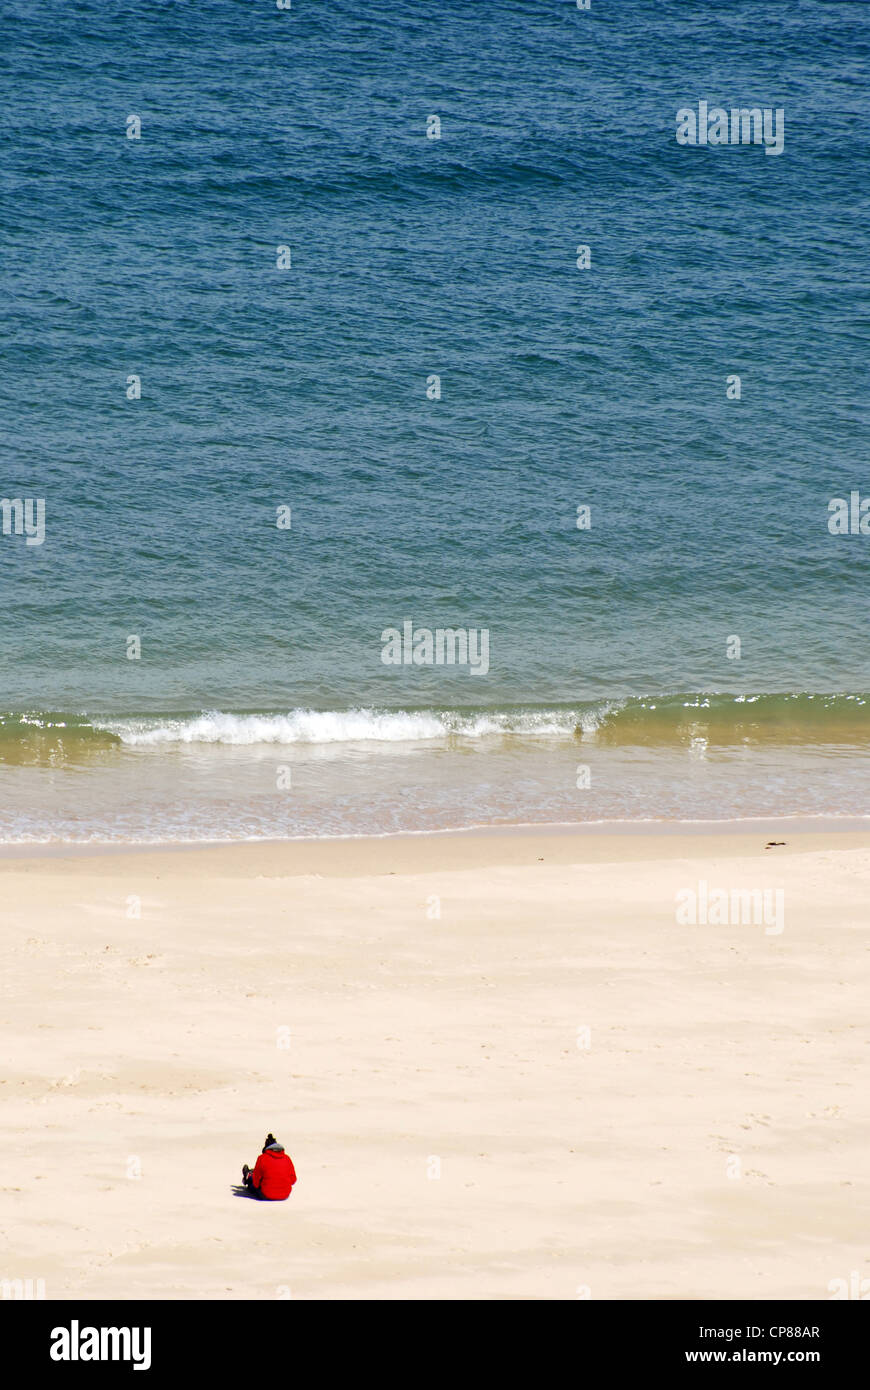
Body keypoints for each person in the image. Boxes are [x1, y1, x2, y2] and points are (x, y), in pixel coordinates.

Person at [242, 1133, 297, 1200]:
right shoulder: (287, 1158)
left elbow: (256, 1183)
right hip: (284, 1195)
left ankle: (248, 1176)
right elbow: (293, 1180)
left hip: (266, 1194)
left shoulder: (262, 1158)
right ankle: (250, 1175)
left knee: (253, 1183)